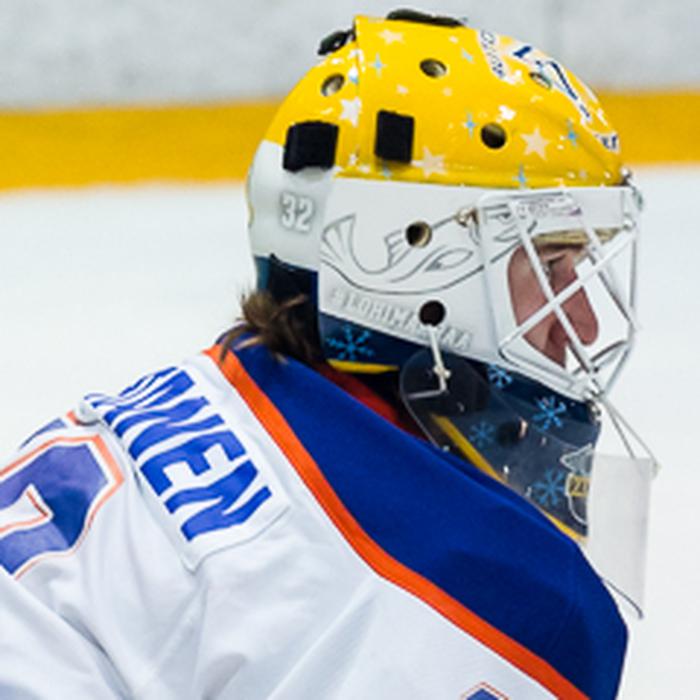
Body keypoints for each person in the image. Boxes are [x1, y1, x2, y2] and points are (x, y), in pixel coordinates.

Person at [0, 10, 654, 699]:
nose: (583, 324)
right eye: (549, 265)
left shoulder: (213, 391)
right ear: (412, 255)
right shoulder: (492, 602)